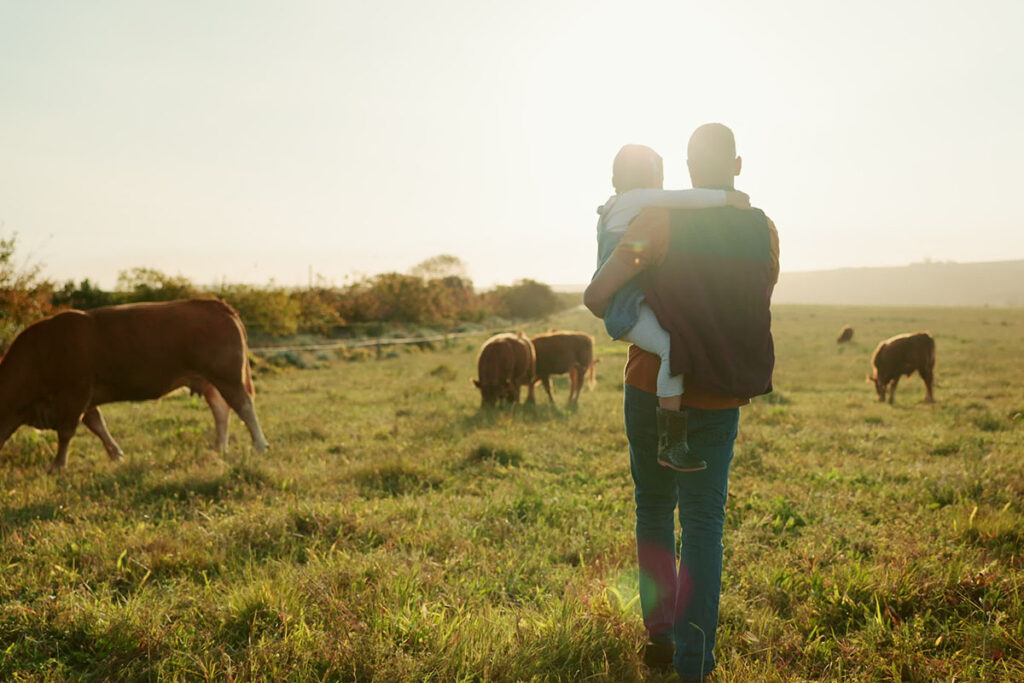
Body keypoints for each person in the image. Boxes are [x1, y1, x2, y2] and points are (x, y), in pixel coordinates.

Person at [584, 123, 779, 681]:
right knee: (703, 526)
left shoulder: (658, 219)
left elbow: (599, 296)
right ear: (735, 166)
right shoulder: (763, 230)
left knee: (653, 509)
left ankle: (659, 641)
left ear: (686, 172)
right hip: (719, 393)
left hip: (650, 387)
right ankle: (695, 667)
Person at [593, 144, 750, 472]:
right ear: (648, 176)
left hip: (631, 301)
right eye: (659, 174)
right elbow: (686, 200)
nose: (663, 183)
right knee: (671, 348)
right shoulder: (637, 200)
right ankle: (672, 443)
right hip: (627, 305)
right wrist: (727, 199)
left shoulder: (615, 205)